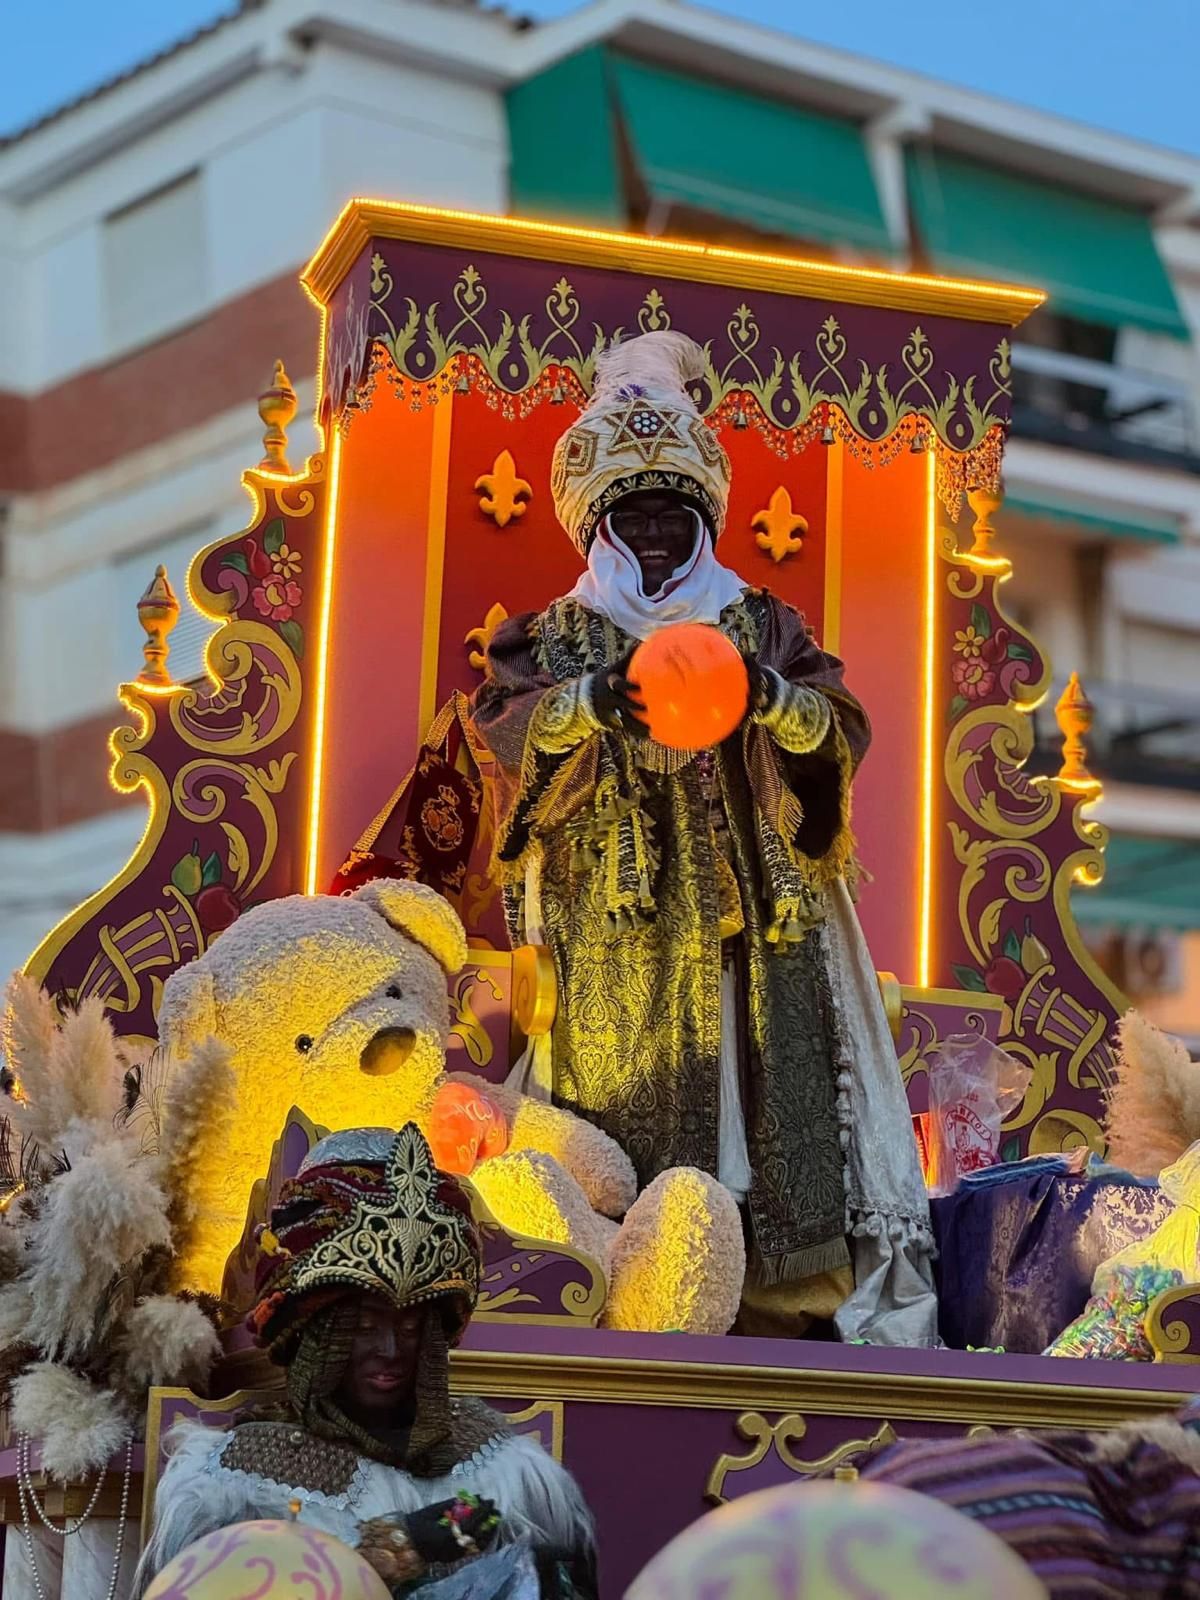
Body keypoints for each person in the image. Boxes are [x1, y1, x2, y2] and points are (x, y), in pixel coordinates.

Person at [470, 330, 935, 1345]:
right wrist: (593, 701)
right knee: (630, 1102)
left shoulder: (763, 621)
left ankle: (782, 1298)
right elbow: (505, 727)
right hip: (618, 928)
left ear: (702, 521)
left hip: (759, 918)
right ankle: (645, 1285)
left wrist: (766, 697)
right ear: (597, 523)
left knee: (762, 1091)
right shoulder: (551, 635)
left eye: (671, 515)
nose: (653, 533)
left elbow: (841, 726)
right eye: (631, 514)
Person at [136, 1124, 596, 1596]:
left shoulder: (503, 1469)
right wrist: (389, 1553)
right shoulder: (234, 1479)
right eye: (362, 1326)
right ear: (315, 1334)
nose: (393, 1351)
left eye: (413, 1327)